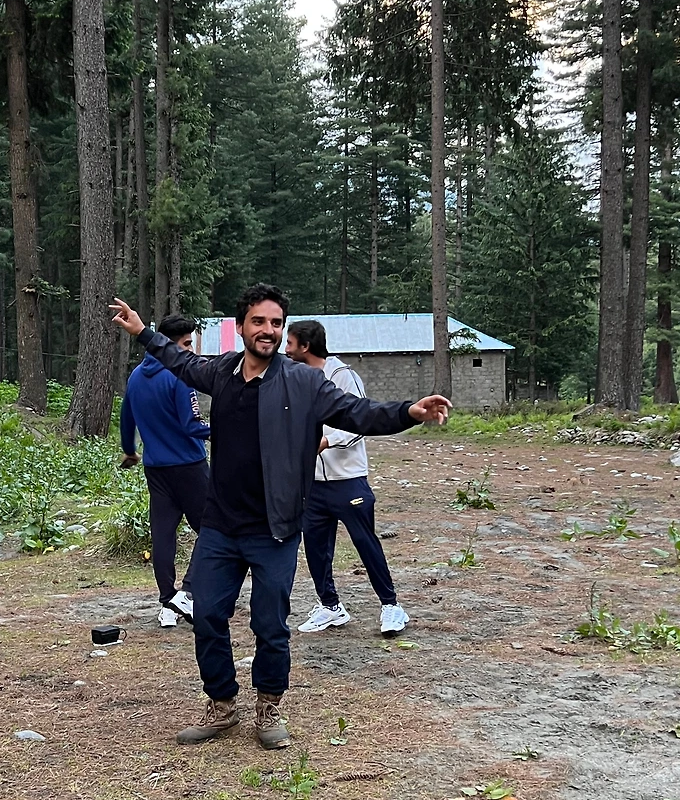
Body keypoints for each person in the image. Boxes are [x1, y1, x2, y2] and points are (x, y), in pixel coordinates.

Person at [110, 285, 450, 749]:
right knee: (207, 615)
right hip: (221, 526)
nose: (268, 330)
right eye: (259, 321)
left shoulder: (303, 381)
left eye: (276, 323)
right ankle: (222, 705)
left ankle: (268, 705)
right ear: (241, 327)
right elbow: (180, 361)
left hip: (275, 528)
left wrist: (408, 412)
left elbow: (357, 412)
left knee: (270, 624)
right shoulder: (223, 371)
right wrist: (143, 332)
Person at [285, 318, 410, 639]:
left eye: (290, 343)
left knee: (365, 543)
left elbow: (360, 423)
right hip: (313, 484)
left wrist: (326, 441)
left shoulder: (343, 376)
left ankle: (391, 606)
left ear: (305, 346)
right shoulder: (296, 378)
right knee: (315, 548)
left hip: (348, 481)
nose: (285, 349)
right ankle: (330, 606)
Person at [120, 313, 211, 627]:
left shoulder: (135, 377)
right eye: (187, 344)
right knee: (214, 527)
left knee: (163, 534)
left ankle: (167, 602)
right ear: (170, 345)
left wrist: (130, 450)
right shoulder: (179, 375)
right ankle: (188, 593)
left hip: (155, 469)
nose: (191, 350)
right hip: (189, 467)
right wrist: (226, 430)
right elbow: (192, 425)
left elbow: (126, 418)